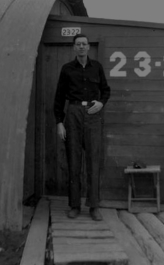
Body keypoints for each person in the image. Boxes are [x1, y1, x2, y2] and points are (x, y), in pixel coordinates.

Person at [54, 34, 110, 221]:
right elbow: (59, 97)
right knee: (74, 161)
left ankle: (94, 206)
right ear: (74, 48)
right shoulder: (67, 69)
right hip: (74, 113)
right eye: (78, 44)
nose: (81, 47)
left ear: (88, 47)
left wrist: (101, 103)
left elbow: (106, 90)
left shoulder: (97, 68)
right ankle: (75, 205)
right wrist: (59, 122)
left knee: (94, 160)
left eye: (84, 44)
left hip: (93, 114)